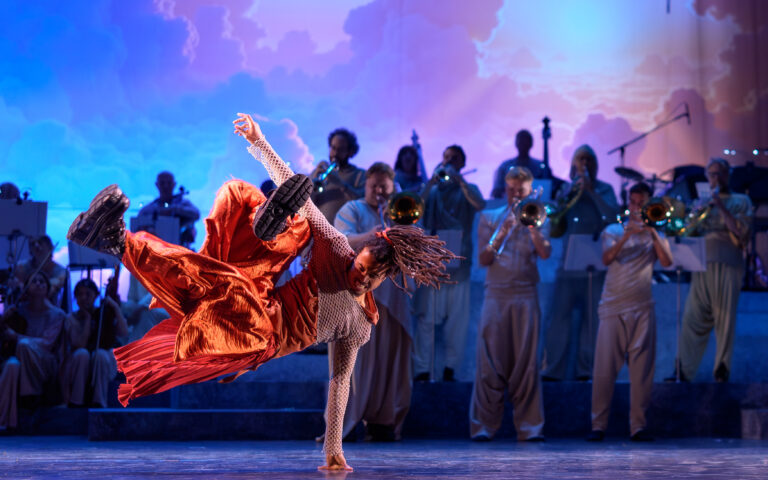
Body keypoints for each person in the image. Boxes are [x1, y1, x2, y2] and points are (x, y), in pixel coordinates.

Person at [66, 113, 455, 471]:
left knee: (228, 288)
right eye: (359, 265)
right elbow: (302, 194)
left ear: (383, 279)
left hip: (260, 339)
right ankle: (119, 240)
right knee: (229, 256)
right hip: (262, 297)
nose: (359, 276)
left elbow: (340, 381)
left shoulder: (359, 324)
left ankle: (257, 231)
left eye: (369, 277)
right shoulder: (338, 249)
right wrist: (259, 140)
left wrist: (333, 447)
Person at [330, 162, 413, 442]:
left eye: (384, 188)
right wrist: (373, 236)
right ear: (365, 185)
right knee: (353, 363)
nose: (378, 192)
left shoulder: (399, 212)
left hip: (391, 301)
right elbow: (341, 240)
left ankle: (382, 421)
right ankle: (344, 424)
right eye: (374, 186)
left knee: (387, 362)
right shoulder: (352, 209)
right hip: (357, 298)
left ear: (393, 189)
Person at [470, 166, 550, 442]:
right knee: (489, 363)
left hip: (526, 295)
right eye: (512, 190)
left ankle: (530, 428)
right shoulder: (489, 217)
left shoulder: (538, 215)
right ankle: (482, 426)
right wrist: (502, 230)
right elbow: (483, 259)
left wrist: (534, 230)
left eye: (522, 191)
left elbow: (545, 253)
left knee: (527, 364)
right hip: (497, 295)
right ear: (505, 189)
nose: (516, 195)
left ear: (530, 191)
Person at [587, 183, 672, 442]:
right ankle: (598, 425)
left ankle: (638, 427)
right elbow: (606, 259)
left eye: (641, 203)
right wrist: (626, 234)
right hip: (613, 306)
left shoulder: (654, 233)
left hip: (643, 307)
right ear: (628, 203)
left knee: (642, 372)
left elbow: (667, 262)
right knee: (604, 369)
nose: (637, 207)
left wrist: (653, 233)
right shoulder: (612, 230)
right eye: (633, 202)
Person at [542, 144, 619, 381]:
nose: (584, 164)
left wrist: (591, 193)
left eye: (589, 159)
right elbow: (556, 226)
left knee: (592, 321)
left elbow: (611, 217)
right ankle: (552, 370)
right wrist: (567, 196)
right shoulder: (566, 188)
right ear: (573, 164)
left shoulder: (605, 189)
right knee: (558, 320)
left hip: (595, 264)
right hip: (568, 264)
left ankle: (586, 372)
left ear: (595, 165)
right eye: (580, 159)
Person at [414, 145, 486, 382]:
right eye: (445, 158)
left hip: (459, 266)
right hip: (433, 264)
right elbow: (414, 208)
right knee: (426, 319)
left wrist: (461, 183)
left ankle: (450, 370)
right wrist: (430, 183)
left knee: (457, 322)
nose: (448, 162)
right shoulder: (433, 189)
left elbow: (480, 205)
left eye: (454, 159)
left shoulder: (469, 189)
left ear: (462, 164)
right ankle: (423, 370)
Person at [677, 158, 753, 382]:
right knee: (692, 318)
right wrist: (696, 213)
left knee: (725, 318)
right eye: (711, 174)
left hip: (728, 261)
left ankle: (722, 369)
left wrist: (719, 205)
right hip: (701, 264)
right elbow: (688, 232)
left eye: (719, 174)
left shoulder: (741, 200)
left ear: (727, 175)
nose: (715, 178)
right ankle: (683, 370)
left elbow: (741, 233)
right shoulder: (702, 203)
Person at [0, 271, 65, 431]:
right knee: (15, 360)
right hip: (23, 361)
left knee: (24, 346)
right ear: (26, 288)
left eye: (42, 281)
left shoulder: (57, 314)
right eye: (33, 281)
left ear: (47, 288)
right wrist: (4, 317)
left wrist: (17, 337)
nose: (38, 284)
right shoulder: (19, 311)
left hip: (45, 362)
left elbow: (47, 344)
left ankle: (30, 395)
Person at [60, 278, 128, 408]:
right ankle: (76, 401)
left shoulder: (103, 314)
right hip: (78, 362)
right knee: (82, 354)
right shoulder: (71, 318)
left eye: (88, 294)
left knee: (101, 355)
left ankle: (99, 402)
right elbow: (80, 344)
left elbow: (123, 333)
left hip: (102, 361)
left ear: (95, 295)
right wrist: (87, 319)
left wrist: (115, 307)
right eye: (80, 294)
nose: (84, 298)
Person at [309, 128, 366, 223]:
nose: (335, 153)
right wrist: (311, 182)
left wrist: (340, 184)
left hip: (344, 232)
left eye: (341, 149)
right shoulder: (320, 171)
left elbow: (362, 205)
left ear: (350, 152)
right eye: (333, 148)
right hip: (317, 230)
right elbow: (305, 204)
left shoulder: (359, 174)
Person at [137, 171, 200, 248]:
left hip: (180, 250)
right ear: (157, 185)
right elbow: (137, 229)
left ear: (174, 184)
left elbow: (196, 214)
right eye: (162, 183)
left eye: (169, 183)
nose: (166, 186)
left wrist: (175, 209)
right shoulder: (148, 209)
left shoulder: (183, 204)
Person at [12, 235, 68, 308]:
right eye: (33, 244)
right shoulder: (21, 266)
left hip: (49, 312)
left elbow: (47, 291)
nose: (36, 246)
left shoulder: (61, 271)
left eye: (40, 242)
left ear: (50, 247)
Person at [491, 130, 549, 199]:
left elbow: (547, 188)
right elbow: (496, 191)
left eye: (526, 141)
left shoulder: (540, 167)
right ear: (516, 143)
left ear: (531, 144)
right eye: (521, 141)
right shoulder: (505, 166)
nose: (523, 144)